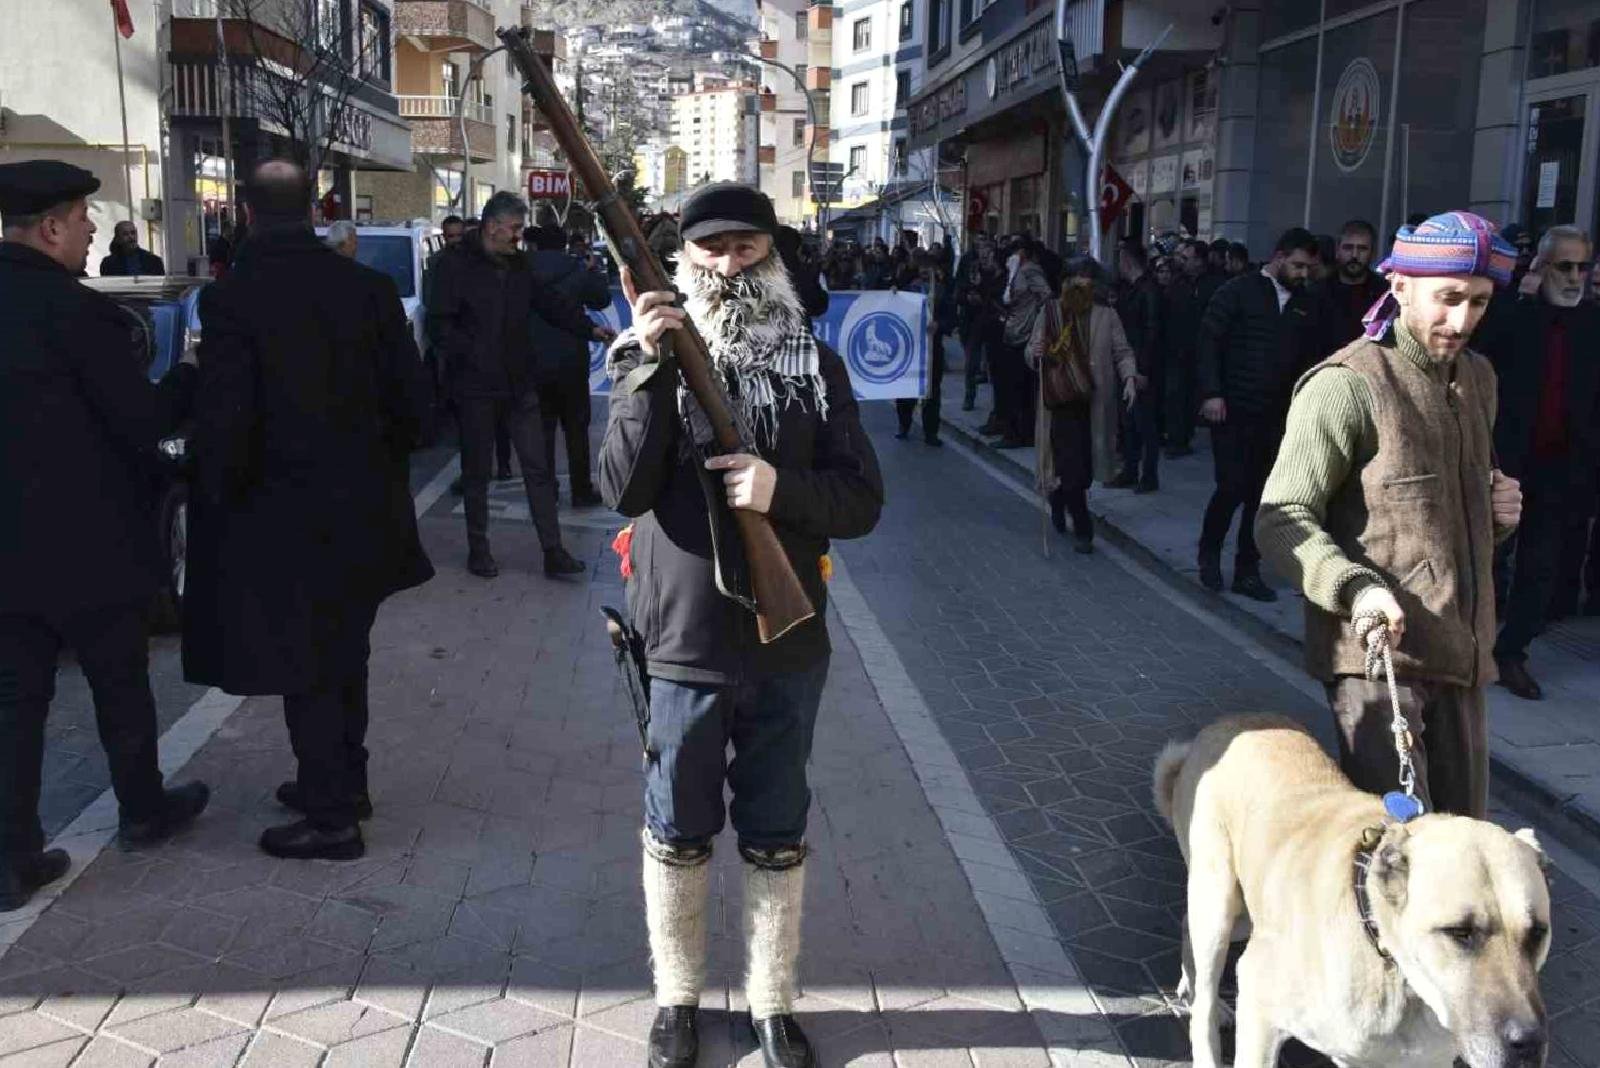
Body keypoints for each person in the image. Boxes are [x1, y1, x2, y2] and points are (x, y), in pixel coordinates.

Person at [599, 182, 883, 1068]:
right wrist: (649, 367)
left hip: (786, 633)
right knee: (676, 824)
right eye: (711, 249)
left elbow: (863, 499)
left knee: (775, 821)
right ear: (682, 262)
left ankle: (769, 1004)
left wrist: (778, 490)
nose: (729, 265)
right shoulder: (638, 359)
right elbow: (622, 490)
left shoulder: (818, 365)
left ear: (777, 256)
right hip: (682, 632)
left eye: (748, 248)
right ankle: (677, 1003)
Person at [182, 160, 434, 860]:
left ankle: (331, 818)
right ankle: (343, 784)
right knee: (344, 654)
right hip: (364, 513)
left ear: (245, 211)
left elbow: (226, 421)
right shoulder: (371, 291)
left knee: (308, 665)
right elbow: (417, 412)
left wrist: (216, 495)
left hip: (280, 519)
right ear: (317, 210)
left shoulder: (233, 300)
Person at [1256, 211, 1524, 819]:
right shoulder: (1346, 383)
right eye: (1448, 299)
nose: (1462, 321)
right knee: (1405, 856)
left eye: (1479, 303)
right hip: (1377, 663)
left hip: (1463, 655)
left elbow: (1441, 516)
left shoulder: (1479, 378)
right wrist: (1354, 589)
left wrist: (1496, 514)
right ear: (1399, 286)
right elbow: (1281, 517)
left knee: (1462, 839)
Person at [0, 160, 209, 910]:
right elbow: (143, 423)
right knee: (119, 683)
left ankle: (12, 857)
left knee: (14, 700)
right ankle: (143, 810)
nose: (93, 229)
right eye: (83, 217)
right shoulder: (76, 313)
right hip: (88, 541)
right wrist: (188, 373)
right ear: (51, 228)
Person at [428, 190, 608, 578]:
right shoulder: (451, 266)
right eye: (513, 229)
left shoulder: (520, 266)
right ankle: (480, 549)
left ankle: (553, 551)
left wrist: (590, 328)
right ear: (492, 227)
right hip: (474, 388)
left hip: (520, 384)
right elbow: (438, 325)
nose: (518, 236)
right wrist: (470, 357)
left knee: (538, 469)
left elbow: (550, 304)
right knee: (477, 472)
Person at [1475, 225, 1600, 701]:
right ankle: (1470, 644)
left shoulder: (1593, 324)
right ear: (1542, 268)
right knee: (1486, 558)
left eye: (1581, 267)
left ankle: (1512, 652)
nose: (1573, 277)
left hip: (1563, 471)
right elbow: (1480, 356)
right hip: (1506, 463)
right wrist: (1518, 298)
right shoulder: (1516, 317)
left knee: (1541, 569)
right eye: (1563, 266)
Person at [1195, 227, 1321, 603]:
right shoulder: (1237, 292)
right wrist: (1212, 393)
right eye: (1297, 265)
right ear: (1279, 257)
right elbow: (1208, 342)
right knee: (1231, 486)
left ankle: (1247, 571)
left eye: (1308, 268)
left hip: (1276, 416)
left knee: (1261, 496)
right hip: (1232, 411)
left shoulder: (1305, 304)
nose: (1302, 274)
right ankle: (1209, 553)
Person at [1025, 256, 1139, 553]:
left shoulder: (1106, 315)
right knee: (1070, 468)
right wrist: (1035, 351)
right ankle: (1083, 529)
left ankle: (1061, 499)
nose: (1079, 284)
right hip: (1059, 402)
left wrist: (1129, 377)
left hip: (1092, 403)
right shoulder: (1050, 312)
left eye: (1086, 279)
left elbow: (1122, 352)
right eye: (1074, 278)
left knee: (1082, 471)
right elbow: (1031, 351)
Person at [525, 220, 613, 508]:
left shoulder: (520, 268)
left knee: (542, 429)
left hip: (531, 358)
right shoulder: (575, 268)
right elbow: (600, 299)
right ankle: (581, 489)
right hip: (571, 358)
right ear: (564, 244)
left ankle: (546, 489)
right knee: (576, 427)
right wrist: (593, 270)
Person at [1110, 242, 1162, 491]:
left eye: (1121, 259)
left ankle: (1149, 476)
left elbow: (1152, 334)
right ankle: (1130, 470)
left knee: (1145, 425)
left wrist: (1142, 370)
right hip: (1127, 363)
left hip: (1141, 367)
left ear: (1128, 261)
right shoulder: (1130, 290)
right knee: (1129, 422)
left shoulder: (1149, 290)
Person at [992, 237, 1051, 449]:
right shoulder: (1015, 270)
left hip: (1024, 334)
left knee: (1019, 387)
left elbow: (1046, 296)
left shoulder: (1029, 270)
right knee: (1014, 386)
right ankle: (1016, 431)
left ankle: (1019, 433)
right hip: (1014, 330)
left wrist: (1035, 322)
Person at [895, 251, 955, 446]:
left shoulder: (941, 291)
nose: (923, 271)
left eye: (926, 267)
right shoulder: (906, 290)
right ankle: (904, 424)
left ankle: (931, 432)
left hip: (932, 348)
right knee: (906, 389)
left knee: (932, 391)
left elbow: (952, 317)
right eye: (919, 267)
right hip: (909, 347)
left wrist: (940, 325)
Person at [1312, 219, 1386, 358]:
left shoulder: (1385, 295)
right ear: (1337, 251)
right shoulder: (1317, 293)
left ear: (1373, 253)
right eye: (1348, 248)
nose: (1354, 255)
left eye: (1362, 249)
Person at [956, 235, 1005, 412]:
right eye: (981, 249)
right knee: (972, 363)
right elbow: (958, 292)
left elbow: (1002, 296)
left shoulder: (1000, 272)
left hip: (992, 322)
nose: (984, 254)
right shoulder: (970, 269)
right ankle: (969, 396)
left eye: (988, 250)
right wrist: (967, 297)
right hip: (972, 321)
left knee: (995, 366)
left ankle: (997, 407)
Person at [98, 219, 166, 276]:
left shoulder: (153, 261)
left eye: (133, 233)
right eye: (125, 234)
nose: (131, 237)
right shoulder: (108, 264)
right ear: (118, 238)